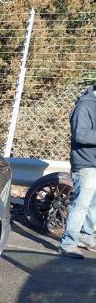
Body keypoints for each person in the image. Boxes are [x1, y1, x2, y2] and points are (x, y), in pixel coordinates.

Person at [59, 85, 96, 258]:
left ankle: (86, 237)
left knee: (93, 205)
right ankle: (68, 243)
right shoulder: (84, 106)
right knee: (80, 205)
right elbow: (80, 135)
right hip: (86, 164)